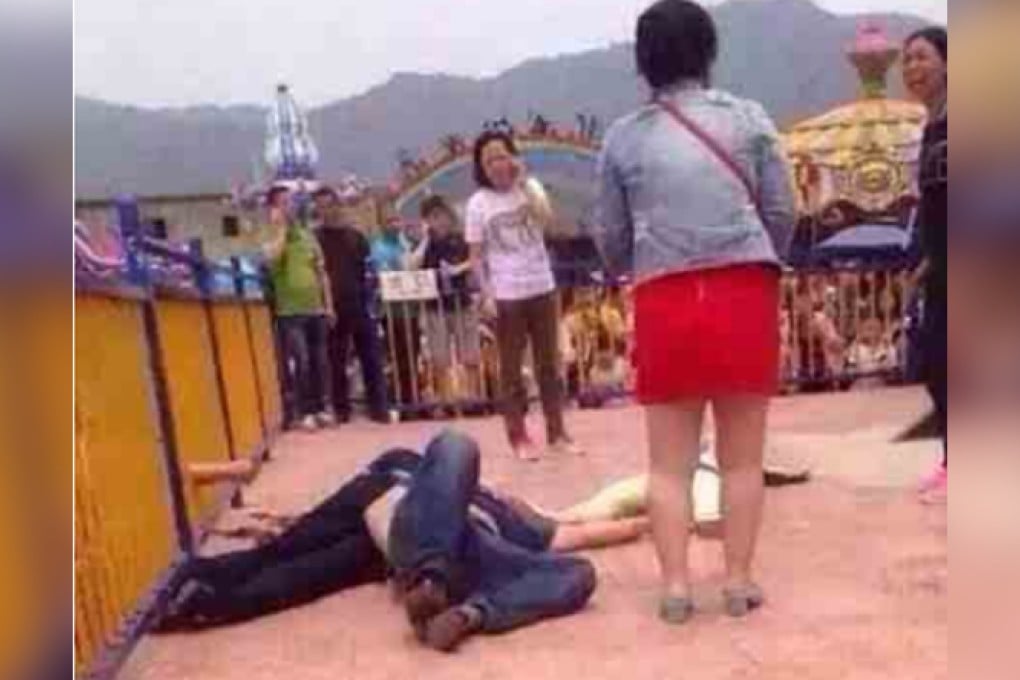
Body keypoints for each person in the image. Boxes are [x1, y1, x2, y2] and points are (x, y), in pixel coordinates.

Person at [595, 0, 795, 624]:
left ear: (643, 60)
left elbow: (609, 232)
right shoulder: (749, 119)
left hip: (664, 297)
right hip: (742, 291)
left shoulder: (623, 137)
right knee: (740, 458)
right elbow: (782, 209)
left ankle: (677, 587)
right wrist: (764, 257)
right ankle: (737, 581)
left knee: (667, 464)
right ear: (708, 51)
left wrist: (640, 264)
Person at [156, 431, 620, 652]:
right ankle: (197, 594)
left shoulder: (526, 527)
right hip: (403, 523)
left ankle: (465, 613)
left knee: (581, 573)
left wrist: (661, 514)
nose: (511, 496)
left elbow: (593, 527)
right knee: (456, 445)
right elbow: (429, 466)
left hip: (459, 553)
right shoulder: (451, 476)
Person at [466, 130, 583, 461]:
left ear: (513, 156)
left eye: (502, 156)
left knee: (550, 364)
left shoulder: (530, 189)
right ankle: (518, 436)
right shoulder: (478, 203)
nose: (496, 165)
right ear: (480, 167)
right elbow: (475, 255)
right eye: (488, 160)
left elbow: (548, 221)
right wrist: (485, 292)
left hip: (541, 286)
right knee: (512, 369)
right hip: (506, 293)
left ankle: (557, 432)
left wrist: (525, 181)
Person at [902, 26, 947, 503]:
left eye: (921, 57)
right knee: (938, 363)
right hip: (942, 268)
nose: (912, 68)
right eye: (907, 61)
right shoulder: (931, 129)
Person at [313, 187, 389, 424]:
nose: (325, 211)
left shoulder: (356, 237)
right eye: (320, 207)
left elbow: (368, 271)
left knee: (371, 358)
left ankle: (379, 408)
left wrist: (371, 300)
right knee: (336, 360)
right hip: (332, 308)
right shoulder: (315, 239)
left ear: (338, 206)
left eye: (329, 205)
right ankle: (342, 410)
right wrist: (325, 305)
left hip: (359, 304)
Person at [263, 185, 335, 431]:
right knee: (301, 361)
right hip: (289, 311)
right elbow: (271, 259)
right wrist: (281, 228)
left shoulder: (308, 235)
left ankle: (321, 408)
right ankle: (304, 411)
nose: (288, 207)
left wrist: (329, 304)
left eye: (290, 202)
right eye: (282, 203)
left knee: (319, 361)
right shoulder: (271, 234)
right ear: (273, 208)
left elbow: (321, 271)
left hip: (315, 307)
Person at [408, 195, 484, 408]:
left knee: (469, 351)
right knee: (439, 354)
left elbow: (475, 259)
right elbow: (411, 266)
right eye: (432, 217)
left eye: (441, 215)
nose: (438, 221)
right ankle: (445, 398)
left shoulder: (460, 239)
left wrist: (458, 269)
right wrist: (424, 240)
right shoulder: (422, 243)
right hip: (435, 305)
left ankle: (473, 396)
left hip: (462, 301)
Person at [370, 213, 423, 416]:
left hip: (411, 311)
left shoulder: (405, 244)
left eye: (397, 220)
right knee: (397, 357)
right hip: (391, 313)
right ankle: (399, 400)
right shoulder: (379, 249)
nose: (395, 225)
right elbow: (385, 275)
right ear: (382, 224)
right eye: (390, 221)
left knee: (413, 356)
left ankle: (414, 399)